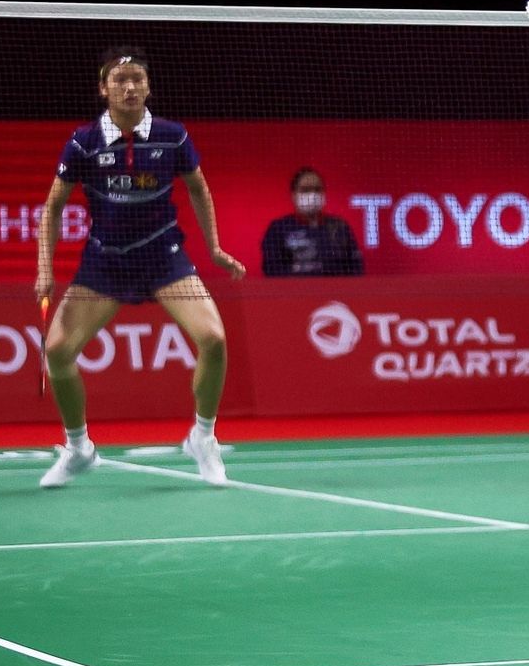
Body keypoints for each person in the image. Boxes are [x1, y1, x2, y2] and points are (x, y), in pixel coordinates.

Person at [34, 47, 247, 489]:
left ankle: (202, 438)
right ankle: (78, 448)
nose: (129, 87)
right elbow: (53, 207)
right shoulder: (83, 142)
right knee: (56, 351)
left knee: (214, 339)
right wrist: (44, 266)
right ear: (103, 88)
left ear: (148, 87)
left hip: (163, 256)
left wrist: (215, 248)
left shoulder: (173, 136)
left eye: (137, 79)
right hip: (105, 262)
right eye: (120, 79)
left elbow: (198, 192)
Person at [260, 167, 365, 277]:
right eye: (305, 190)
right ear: (294, 195)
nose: (312, 195)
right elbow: (272, 270)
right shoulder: (278, 229)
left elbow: (355, 269)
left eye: (317, 189)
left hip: (335, 292)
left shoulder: (340, 228)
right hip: (293, 292)